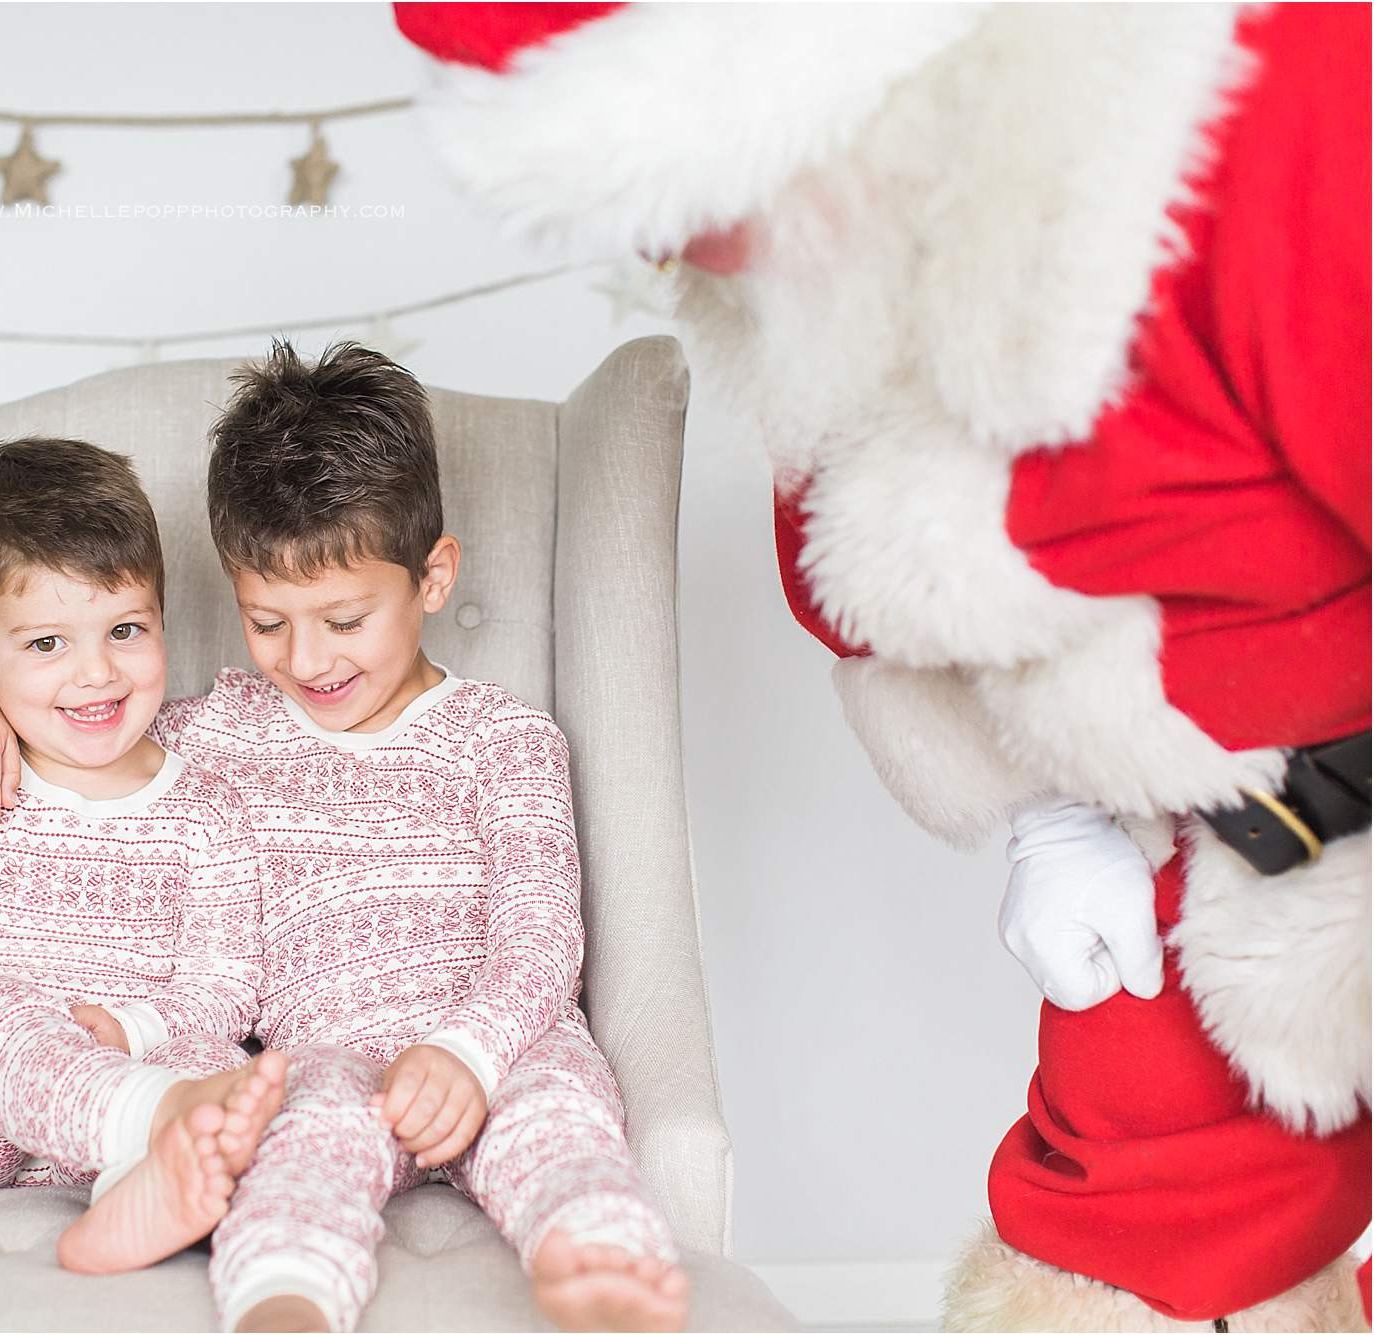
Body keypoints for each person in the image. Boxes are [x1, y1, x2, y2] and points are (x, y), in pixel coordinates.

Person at [392, 2, 1371, 1327]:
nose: (687, 245)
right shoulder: (816, 295)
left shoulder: (1276, 114)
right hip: (1209, 841)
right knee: (1114, 1245)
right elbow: (861, 587)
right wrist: (1055, 815)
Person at [0, 343, 689, 1331]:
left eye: (343, 618)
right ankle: (283, 1305)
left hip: (494, 1040)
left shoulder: (504, 739)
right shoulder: (221, 729)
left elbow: (541, 940)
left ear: (433, 576)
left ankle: (600, 1262)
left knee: (560, 1118)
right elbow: (81, 724)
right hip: (326, 1059)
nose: (307, 658)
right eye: (267, 621)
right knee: (293, 1146)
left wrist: (467, 1052)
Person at [0, 435, 286, 1277]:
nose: (97, 673)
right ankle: (149, 1127)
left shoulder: (205, 810)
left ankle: (141, 1195)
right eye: (46, 644)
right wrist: (1, 1021)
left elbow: (225, 982)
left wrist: (128, 1030)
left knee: (224, 1064)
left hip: (121, 1088)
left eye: (126, 628)